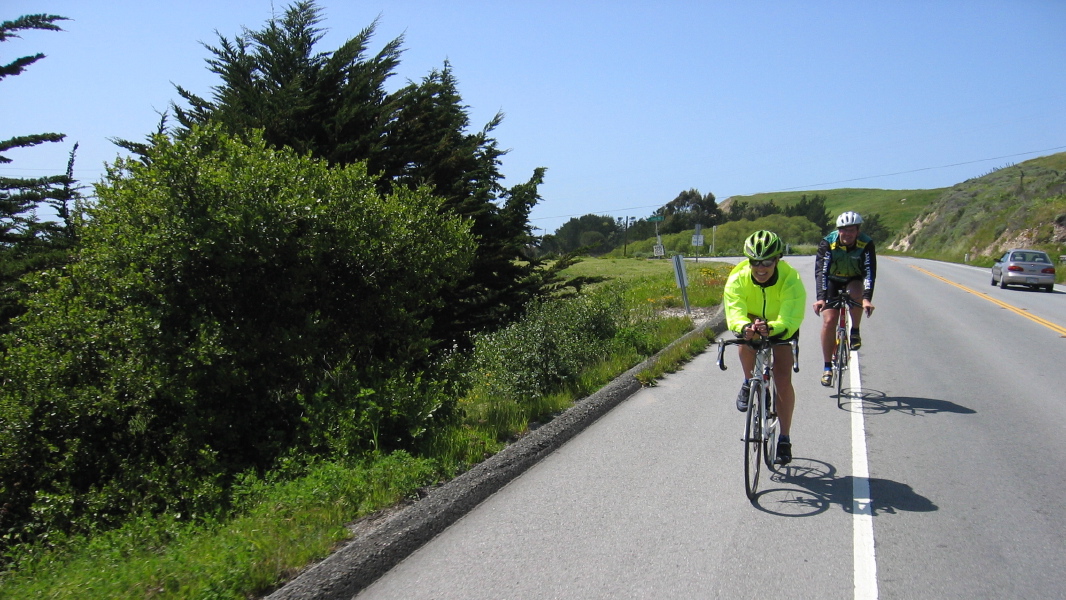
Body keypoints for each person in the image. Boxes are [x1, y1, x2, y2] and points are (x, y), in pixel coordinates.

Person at [724, 230, 806, 465]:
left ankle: (784, 438)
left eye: (767, 262)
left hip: (781, 324)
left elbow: (790, 317)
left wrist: (773, 328)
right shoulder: (738, 278)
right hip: (752, 318)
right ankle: (748, 381)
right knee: (745, 340)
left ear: (777, 259)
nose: (760, 268)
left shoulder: (790, 279)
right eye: (755, 262)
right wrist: (744, 327)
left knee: (783, 380)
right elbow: (734, 310)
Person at [813, 211, 877, 387]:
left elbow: (870, 271)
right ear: (838, 230)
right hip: (832, 280)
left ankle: (854, 330)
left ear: (858, 231)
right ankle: (827, 368)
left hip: (854, 278)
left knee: (856, 294)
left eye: (851, 230)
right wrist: (821, 298)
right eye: (844, 230)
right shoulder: (828, 242)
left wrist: (866, 299)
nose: (847, 234)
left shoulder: (866, 243)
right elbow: (821, 271)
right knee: (829, 321)